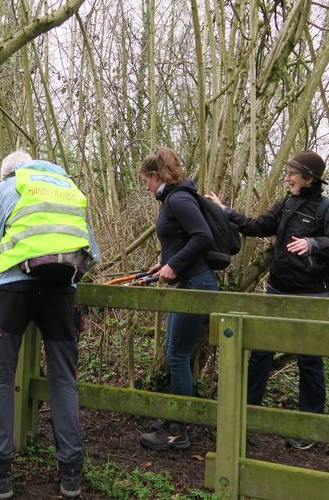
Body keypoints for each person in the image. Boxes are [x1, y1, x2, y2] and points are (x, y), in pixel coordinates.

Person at [0, 151, 99, 500]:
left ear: (7, 172)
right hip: (61, 292)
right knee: (62, 380)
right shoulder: (68, 189)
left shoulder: (8, 188)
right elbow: (93, 252)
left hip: (13, 292)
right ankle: (71, 475)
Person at [206, 150, 329, 450]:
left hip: (312, 296)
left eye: (292, 173)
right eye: (286, 172)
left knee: (309, 358)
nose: (286, 177)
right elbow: (257, 226)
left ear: (309, 178)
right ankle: (245, 416)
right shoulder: (288, 203)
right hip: (277, 291)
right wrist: (224, 210)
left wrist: (314, 243)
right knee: (260, 351)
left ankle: (309, 427)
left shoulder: (327, 209)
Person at [136, 147, 217, 451]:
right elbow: (184, 240)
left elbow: (202, 237)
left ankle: (177, 429)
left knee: (179, 355)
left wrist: (175, 265)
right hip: (188, 281)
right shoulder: (176, 198)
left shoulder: (179, 199)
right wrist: (165, 262)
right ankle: (175, 419)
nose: (146, 187)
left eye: (146, 180)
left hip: (195, 283)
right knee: (175, 352)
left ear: (156, 175)